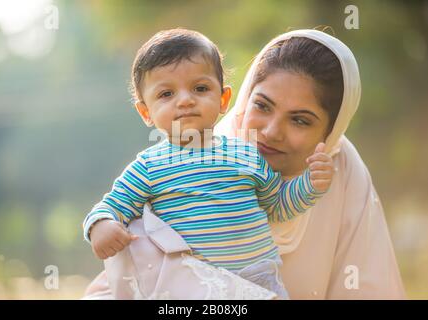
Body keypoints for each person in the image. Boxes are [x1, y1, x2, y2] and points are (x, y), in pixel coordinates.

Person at [83, 29, 406, 299]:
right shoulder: (165, 166)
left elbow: (279, 203)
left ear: (332, 131)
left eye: (300, 120)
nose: (270, 132)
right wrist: (101, 225)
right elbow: (121, 273)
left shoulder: (337, 173)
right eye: (262, 106)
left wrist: (310, 185)